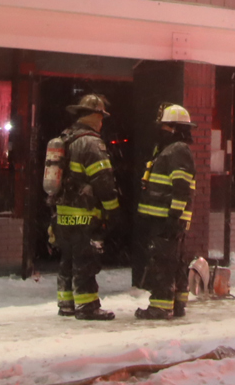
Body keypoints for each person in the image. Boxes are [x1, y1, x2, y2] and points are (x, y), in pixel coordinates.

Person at [49, 93, 122, 321]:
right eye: (101, 117)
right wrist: (112, 209)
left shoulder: (65, 137)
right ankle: (87, 306)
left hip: (63, 215)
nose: (102, 122)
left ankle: (66, 304)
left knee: (68, 259)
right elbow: (103, 181)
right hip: (84, 214)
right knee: (86, 259)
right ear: (93, 116)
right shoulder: (91, 143)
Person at [136, 103, 200, 319]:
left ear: (174, 128)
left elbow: (180, 187)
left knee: (162, 262)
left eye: (164, 127)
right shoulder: (169, 150)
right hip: (164, 218)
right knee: (174, 262)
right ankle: (177, 304)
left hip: (166, 219)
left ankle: (160, 307)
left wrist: (174, 216)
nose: (161, 131)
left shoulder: (177, 150)